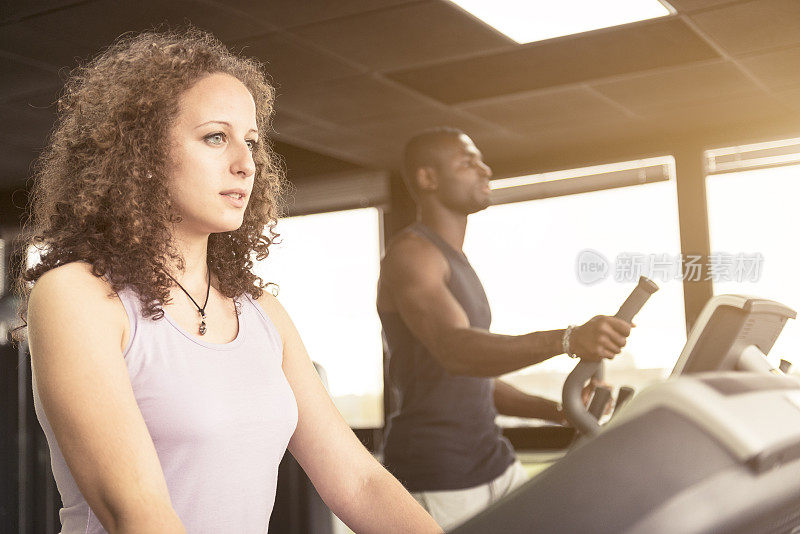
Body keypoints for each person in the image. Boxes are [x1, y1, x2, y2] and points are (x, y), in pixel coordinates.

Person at [14, 29, 441, 534]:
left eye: (252, 142)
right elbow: (137, 512)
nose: (246, 163)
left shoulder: (260, 311)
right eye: (216, 137)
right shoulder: (78, 295)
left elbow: (358, 481)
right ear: (142, 156)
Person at [376, 127, 633, 530]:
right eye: (467, 162)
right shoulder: (411, 254)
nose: (485, 169)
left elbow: (479, 383)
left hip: (495, 462)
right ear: (428, 179)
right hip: (439, 477)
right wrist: (568, 339)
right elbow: (455, 351)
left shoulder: (454, 260)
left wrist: (561, 411)